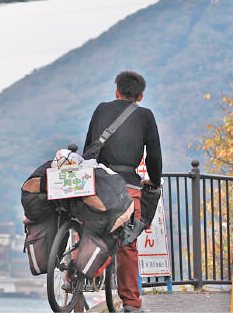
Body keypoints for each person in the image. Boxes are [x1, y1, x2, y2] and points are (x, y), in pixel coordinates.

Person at [83, 71, 162, 313]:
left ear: (116, 91)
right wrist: (154, 181)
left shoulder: (100, 109)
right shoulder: (145, 115)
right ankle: (131, 303)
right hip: (128, 187)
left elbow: (88, 147)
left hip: (98, 184)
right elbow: (154, 156)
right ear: (140, 95)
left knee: (89, 232)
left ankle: (73, 280)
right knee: (127, 245)